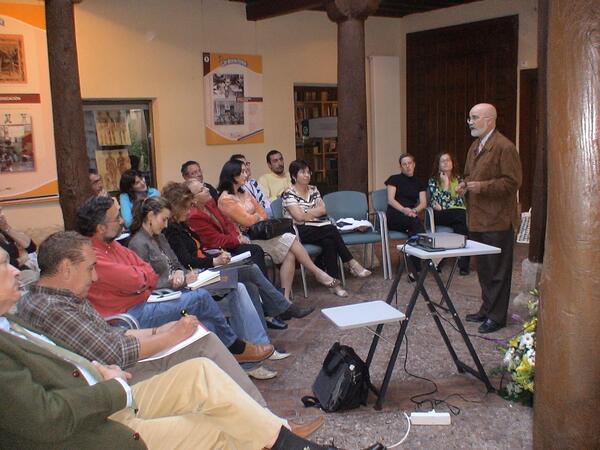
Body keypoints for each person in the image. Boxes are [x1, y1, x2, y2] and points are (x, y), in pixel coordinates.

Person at [1, 247, 355, 450]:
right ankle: (278, 430)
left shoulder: (17, 320)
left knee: (201, 361)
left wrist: (112, 361)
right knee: (220, 417)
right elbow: (46, 417)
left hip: (108, 376)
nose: (17, 270)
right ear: (65, 268)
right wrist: (112, 380)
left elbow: (96, 344)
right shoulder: (47, 308)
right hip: (103, 409)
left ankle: (275, 428)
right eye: (4, 265)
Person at [17, 230, 266, 403]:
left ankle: (264, 424)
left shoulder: (63, 297)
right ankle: (267, 426)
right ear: (66, 268)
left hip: (119, 356)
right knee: (202, 343)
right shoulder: (53, 308)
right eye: (90, 269)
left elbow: (108, 333)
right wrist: (171, 335)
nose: (94, 277)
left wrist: (162, 331)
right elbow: (115, 351)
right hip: (116, 378)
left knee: (204, 338)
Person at [75, 195, 273, 364]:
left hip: (147, 301)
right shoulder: (93, 254)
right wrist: (146, 279)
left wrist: (149, 278)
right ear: (100, 227)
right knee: (202, 298)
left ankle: (229, 361)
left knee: (221, 302)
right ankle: (236, 348)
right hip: (130, 315)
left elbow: (148, 273)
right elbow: (137, 279)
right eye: (116, 217)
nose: (121, 221)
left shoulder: (116, 246)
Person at [127, 196, 277, 376]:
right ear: (150, 216)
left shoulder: (159, 237)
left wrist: (183, 273)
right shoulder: (138, 243)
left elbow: (176, 263)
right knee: (229, 292)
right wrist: (174, 279)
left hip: (186, 284)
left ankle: (253, 348)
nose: (166, 225)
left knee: (238, 286)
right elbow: (146, 281)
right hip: (170, 293)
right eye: (163, 219)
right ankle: (242, 350)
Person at [162, 182, 313, 328]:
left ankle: (267, 331)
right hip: (200, 273)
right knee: (250, 271)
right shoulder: (173, 229)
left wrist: (219, 252)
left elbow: (219, 230)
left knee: (251, 277)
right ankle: (280, 308)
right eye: (187, 207)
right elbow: (188, 260)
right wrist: (215, 260)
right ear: (176, 208)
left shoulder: (184, 222)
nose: (189, 210)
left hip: (208, 262)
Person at [217, 159, 345, 299]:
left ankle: (285, 299)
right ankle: (319, 273)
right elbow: (247, 221)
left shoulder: (245, 193)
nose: (246, 174)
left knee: (289, 252)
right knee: (292, 242)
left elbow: (264, 214)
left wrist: (254, 217)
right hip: (245, 239)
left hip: (259, 234)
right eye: (242, 171)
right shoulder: (226, 199)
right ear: (233, 175)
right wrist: (255, 217)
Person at [457, 103, 522, 334]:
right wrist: (465, 185)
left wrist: (481, 186)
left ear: (490, 120)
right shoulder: (475, 146)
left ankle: (497, 317)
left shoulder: (505, 147)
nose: (470, 122)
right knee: (484, 269)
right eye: (470, 118)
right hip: (477, 219)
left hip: (498, 221)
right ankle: (487, 309)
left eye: (475, 118)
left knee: (498, 271)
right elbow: (468, 174)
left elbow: (512, 182)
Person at [282, 160, 372, 287]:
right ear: (293, 176)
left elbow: (323, 210)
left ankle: (334, 284)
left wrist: (306, 212)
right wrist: (312, 212)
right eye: (303, 172)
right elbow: (298, 217)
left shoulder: (314, 189)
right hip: (298, 230)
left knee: (329, 241)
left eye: (308, 172)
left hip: (317, 228)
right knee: (331, 230)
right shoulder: (288, 193)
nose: (307, 175)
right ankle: (352, 263)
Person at [186, 178, 269, 276]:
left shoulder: (209, 202)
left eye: (204, 186)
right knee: (255, 251)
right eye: (202, 190)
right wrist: (237, 240)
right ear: (193, 199)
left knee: (255, 250)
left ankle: (264, 289)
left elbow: (226, 222)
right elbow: (214, 240)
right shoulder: (194, 216)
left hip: (228, 243)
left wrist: (237, 236)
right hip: (216, 252)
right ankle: (264, 290)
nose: (207, 189)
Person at [428, 152, 470, 275]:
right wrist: (446, 185)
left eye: (448, 160)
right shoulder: (433, 181)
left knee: (461, 228)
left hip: (456, 215)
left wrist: (446, 203)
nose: (446, 162)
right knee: (460, 215)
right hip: (440, 216)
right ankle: (461, 263)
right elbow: (440, 205)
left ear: (453, 163)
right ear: (438, 165)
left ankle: (462, 265)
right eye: (442, 161)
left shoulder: (459, 180)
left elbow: (458, 202)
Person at [385, 153, 427, 276]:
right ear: (400, 167)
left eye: (409, 163)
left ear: (414, 165)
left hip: (410, 214)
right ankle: (417, 268)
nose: (407, 166)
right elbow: (391, 200)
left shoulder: (419, 182)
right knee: (417, 227)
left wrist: (414, 210)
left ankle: (412, 267)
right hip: (395, 214)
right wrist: (404, 210)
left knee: (414, 229)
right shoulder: (394, 179)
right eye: (404, 164)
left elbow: (423, 203)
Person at [0, 206, 36, 271]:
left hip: (21, 270)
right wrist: (22, 258)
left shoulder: (3, 230)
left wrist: (6, 227)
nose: (2, 215)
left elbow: (31, 247)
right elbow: (4, 264)